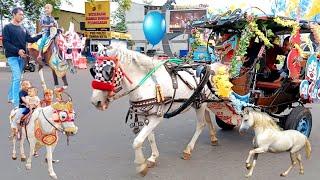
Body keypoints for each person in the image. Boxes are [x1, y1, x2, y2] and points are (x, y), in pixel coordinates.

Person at [3, 7, 42, 108]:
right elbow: (6, 43)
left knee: (17, 78)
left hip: (22, 58)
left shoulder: (23, 28)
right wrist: (18, 51)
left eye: (22, 15)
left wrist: (41, 35)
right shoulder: (7, 27)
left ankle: (10, 95)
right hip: (12, 56)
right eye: (20, 14)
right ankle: (16, 102)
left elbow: (30, 39)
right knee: (17, 77)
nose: (22, 16)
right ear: (14, 15)